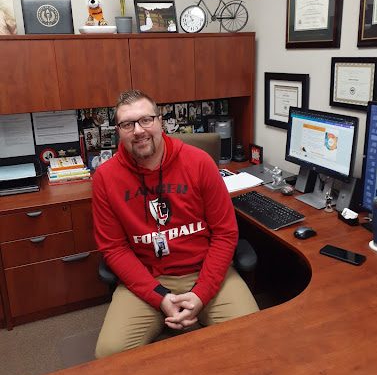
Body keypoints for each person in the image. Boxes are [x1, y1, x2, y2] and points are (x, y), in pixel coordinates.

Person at [93, 89, 258, 358]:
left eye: (146, 120)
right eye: (127, 124)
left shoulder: (199, 163)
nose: (138, 130)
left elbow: (225, 234)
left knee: (254, 334)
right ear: (118, 131)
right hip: (147, 279)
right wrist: (160, 297)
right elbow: (114, 249)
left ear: (161, 122)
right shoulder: (105, 178)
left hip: (205, 272)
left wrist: (202, 293)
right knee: (109, 354)